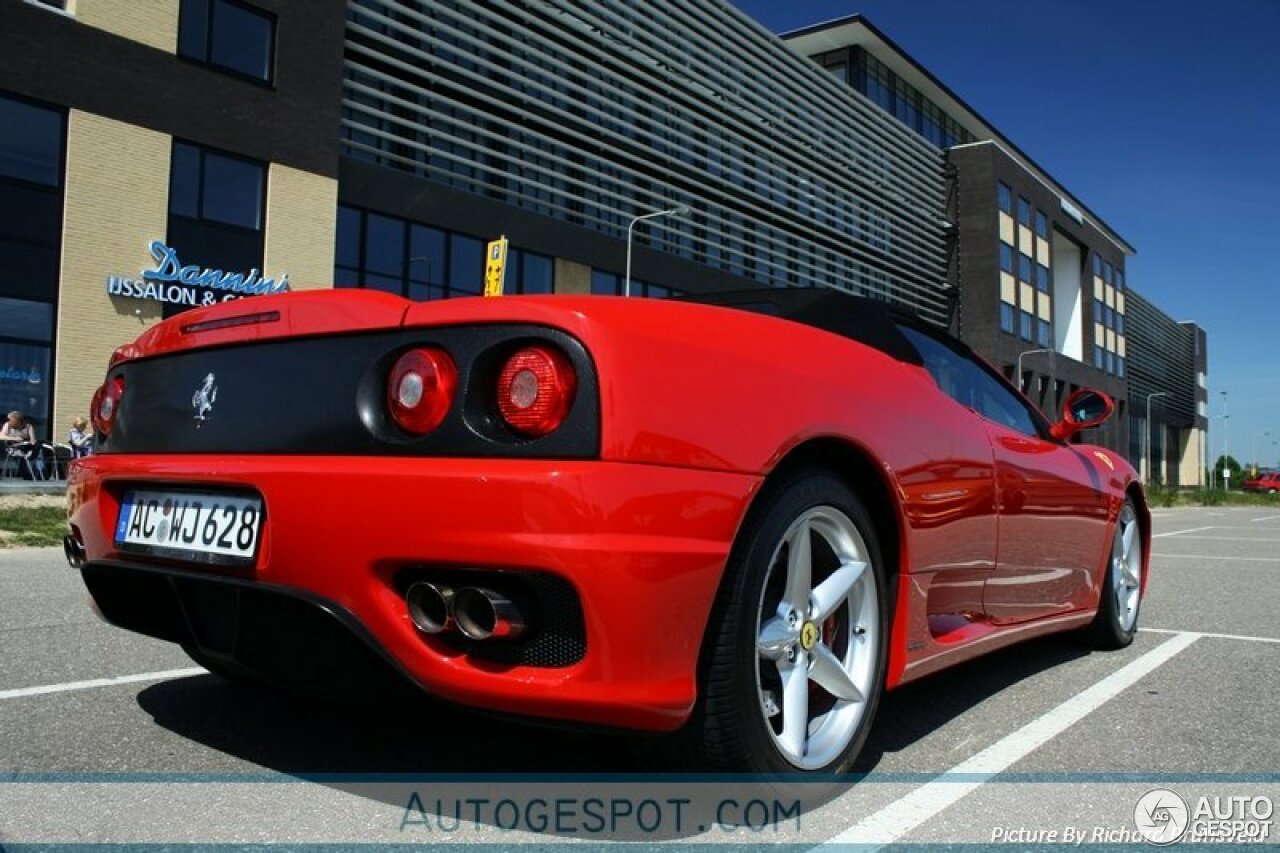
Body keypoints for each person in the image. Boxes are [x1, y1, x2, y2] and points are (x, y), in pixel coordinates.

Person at [2, 410, 38, 478]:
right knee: (23, 454)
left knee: (40, 449)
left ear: (18, 421)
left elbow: (33, 440)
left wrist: (31, 443)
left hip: (26, 447)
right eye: (9, 420)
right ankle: (26, 474)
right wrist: (14, 438)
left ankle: (40, 474)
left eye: (12, 420)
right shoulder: (8, 425)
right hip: (12, 448)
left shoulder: (28, 427)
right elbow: (1, 436)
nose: (10, 422)